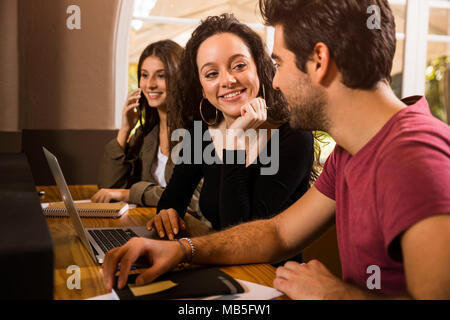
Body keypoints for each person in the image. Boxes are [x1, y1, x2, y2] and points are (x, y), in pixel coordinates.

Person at [103, 0, 450, 299]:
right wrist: (182, 249)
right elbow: (278, 232)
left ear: (319, 61)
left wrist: (339, 295)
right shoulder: (349, 151)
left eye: (279, 63)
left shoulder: (415, 156)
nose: (276, 81)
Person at [146, 14, 318, 240]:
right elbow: (172, 200)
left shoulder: (293, 137)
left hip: (268, 272)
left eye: (239, 66)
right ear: (201, 87)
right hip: (216, 264)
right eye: (211, 74)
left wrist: (235, 140)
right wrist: (166, 214)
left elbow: (242, 237)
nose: (227, 80)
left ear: (258, 67)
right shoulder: (201, 130)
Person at [91, 40, 202, 218]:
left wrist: (129, 194)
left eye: (161, 75)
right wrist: (125, 130)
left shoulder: (198, 132)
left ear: (181, 79)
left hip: (192, 233)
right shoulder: (147, 134)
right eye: (144, 75)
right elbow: (109, 189)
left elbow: (194, 200)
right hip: (151, 225)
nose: (149, 84)